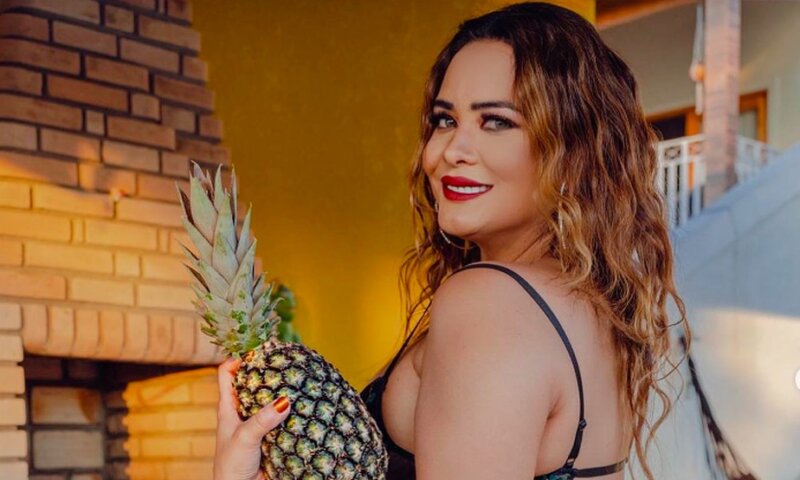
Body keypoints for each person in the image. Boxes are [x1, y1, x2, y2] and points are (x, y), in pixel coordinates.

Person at [213, 2, 690, 479]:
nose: (451, 151)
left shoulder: (489, 302)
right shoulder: (590, 303)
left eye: (496, 121)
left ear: (573, 152)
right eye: (445, 120)